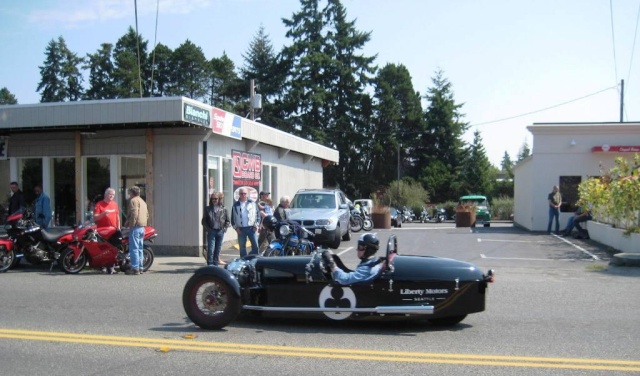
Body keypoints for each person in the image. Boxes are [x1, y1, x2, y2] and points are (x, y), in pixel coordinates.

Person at [125, 186, 149, 275]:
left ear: (132, 193)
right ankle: (141, 267)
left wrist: (130, 224)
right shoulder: (143, 202)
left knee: (133, 248)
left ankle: (135, 268)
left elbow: (134, 213)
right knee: (140, 248)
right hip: (142, 227)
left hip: (135, 227)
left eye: (129, 192)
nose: (129, 194)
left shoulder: (133, 201)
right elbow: (147, 215)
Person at [201, 192, 230, 266]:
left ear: (219, 199)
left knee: (218, 249)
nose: (214, 200)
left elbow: (227, 221)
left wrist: (224, 229)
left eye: (216, 198)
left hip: (220, 231)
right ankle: (210, 264)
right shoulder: (208, 209)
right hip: (212, 231)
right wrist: (208, 229)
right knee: (211, 249)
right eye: (212, 198)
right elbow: (203, 221)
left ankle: (215, 264)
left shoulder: (224, 209)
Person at [231, 188, 261, 258]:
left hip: (251, 228)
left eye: (245, 193)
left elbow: (258, 215)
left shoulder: (253, 203)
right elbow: (232, 219)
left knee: (255, 246)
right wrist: (236, 228)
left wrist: (256, 225)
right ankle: (243, 260)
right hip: (241, 229)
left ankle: (254, 260)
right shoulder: (235, 205)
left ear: (247, 194)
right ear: (239, 194)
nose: (243, 195)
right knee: (242, 247)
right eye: (241, 193)